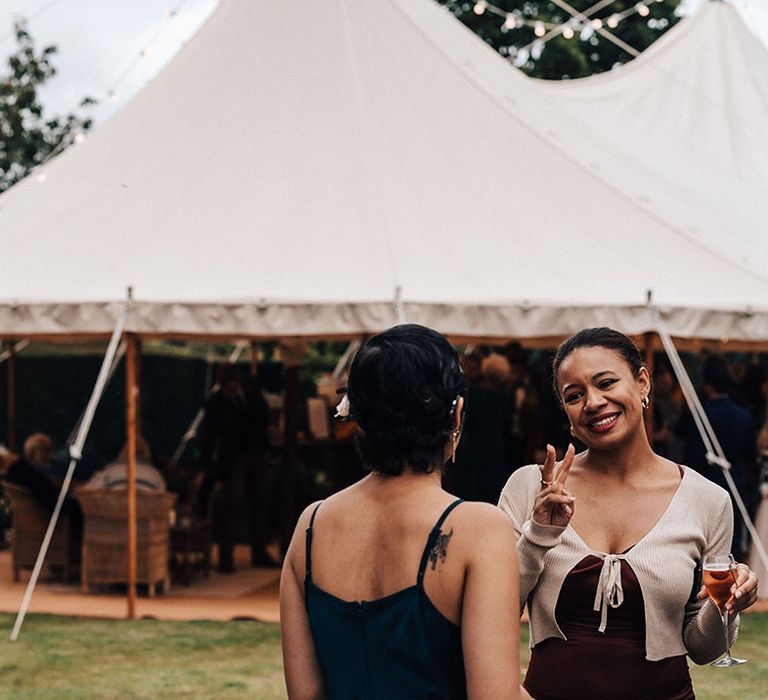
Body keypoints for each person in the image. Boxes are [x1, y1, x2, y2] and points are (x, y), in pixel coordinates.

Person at [498, 328, 759, 700]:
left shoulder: (707, 500)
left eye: (606, 383)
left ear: (642, 382)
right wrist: (539, 533)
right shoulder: (531, 486)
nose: (593, 402)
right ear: (568, 413)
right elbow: (493, 614)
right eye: (575, 395)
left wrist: (728, 607)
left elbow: (703, 649)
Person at [280, 324, 527, 699]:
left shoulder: (311, 526)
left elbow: (305, 694)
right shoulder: (479, 529)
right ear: (456, 415)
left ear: (358, 419)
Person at [680, 356, 758, 561]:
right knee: (734, 535)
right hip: (737, 481)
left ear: (707, 387)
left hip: (707, 482)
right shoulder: (743, 414)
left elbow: (692, 455)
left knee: (706, 537)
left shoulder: (702, 415)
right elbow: (751, 451)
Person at [4, 433, 83, 538]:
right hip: (43, 517)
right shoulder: (30, 474)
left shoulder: (24, 470)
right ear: (35, 452)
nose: (49, 456)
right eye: (46, 451)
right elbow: (48, 500)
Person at [84, 437, 166, 491]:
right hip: (145, 514)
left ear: (123, 453)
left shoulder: (111, 470)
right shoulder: (156, 475)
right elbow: (164, 500)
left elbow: (88, 490)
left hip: (113, 513)